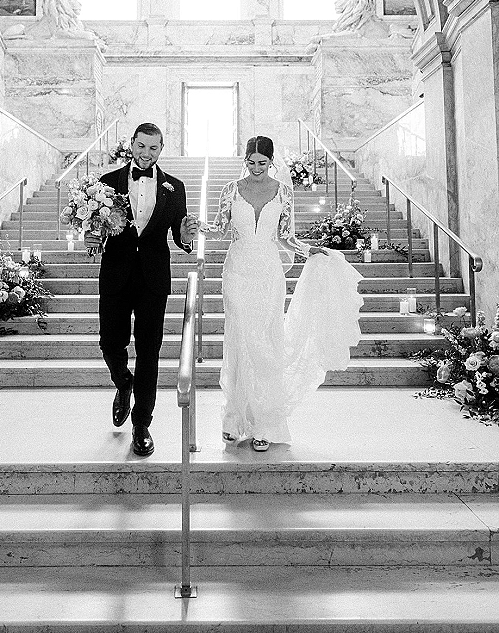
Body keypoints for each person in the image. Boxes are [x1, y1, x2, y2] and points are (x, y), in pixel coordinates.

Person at [199, 135, 363, 451]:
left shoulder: (283, 192)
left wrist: (309, 250)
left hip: (268, 272)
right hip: (237, 270)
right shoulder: (230, 190)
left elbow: (285, 236)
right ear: (244, 160)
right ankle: (235, 420)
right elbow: (220, 229)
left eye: (262, 163)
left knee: (264, 342)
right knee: (241, 340)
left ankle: (266, 423)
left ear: (271, 162)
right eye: (251, 162)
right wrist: (195, 227)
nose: (257, 168)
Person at [85, 123, 198, 457]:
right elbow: (96, 229)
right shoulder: (107, 183)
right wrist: (91, 240)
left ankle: (142, 425)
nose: (146, 153)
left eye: (154, 148)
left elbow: (180, 236)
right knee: (110, 343)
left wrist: (187, 235)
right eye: (141, 146)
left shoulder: (175, 187)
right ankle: (123, 382)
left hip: (153, 280)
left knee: (149, 352)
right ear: (131, 145)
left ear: (161, 149)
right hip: (116, 277)